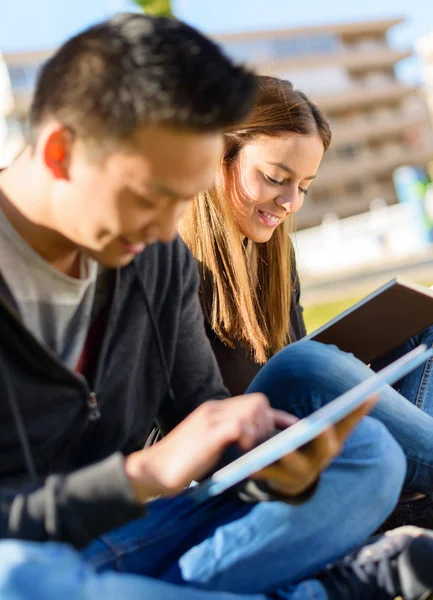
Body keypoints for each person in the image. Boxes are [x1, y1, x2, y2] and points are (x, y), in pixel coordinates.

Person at [0, 13, 431, 600]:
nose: (165, 232)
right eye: (153, 197)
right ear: (59, 153)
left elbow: (204, 413)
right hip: (36, 550)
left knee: (368, 456)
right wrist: (140, 476)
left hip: (144, 531)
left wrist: (269, 465)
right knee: (20, 575)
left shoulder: (157, 259)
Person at [179, 74, 433, 521]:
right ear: (216, 157)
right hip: (235, 467)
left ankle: (410, 496)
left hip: (300, 433)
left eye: (305, 187)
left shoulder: (273, 256)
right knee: (307, 367)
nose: (291, 203)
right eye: (276, 178)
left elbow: (289, 358)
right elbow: (193, 422)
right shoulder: (167, 262)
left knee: (420, 325)